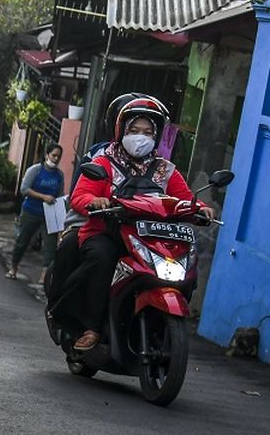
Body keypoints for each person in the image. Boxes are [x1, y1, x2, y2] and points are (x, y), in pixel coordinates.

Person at [67, 94, 213, 351]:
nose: (140, 136)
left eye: (147, 131)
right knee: (103, 257)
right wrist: (95, 202)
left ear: (156, 136)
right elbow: (80, 196)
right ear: (121, 130)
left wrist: (201, 209)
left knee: (186, 265)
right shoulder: (104, 163)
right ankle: (91, 327)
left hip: (149, 238)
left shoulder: (165, 170)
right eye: (134, 129)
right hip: (105, 232)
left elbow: (186, 200)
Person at [6, 142, 64, 282]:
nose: (56, 159)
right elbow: (24, 189)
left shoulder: (59, 175)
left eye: (59, 156)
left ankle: (44, 276)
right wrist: (43, 197)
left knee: (50, 246)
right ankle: (13, 267)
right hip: (31, 210)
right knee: (22, 241)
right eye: (53, 155)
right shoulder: (35, 170)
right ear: (46, 155)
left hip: (49, 214)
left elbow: (60, 194)